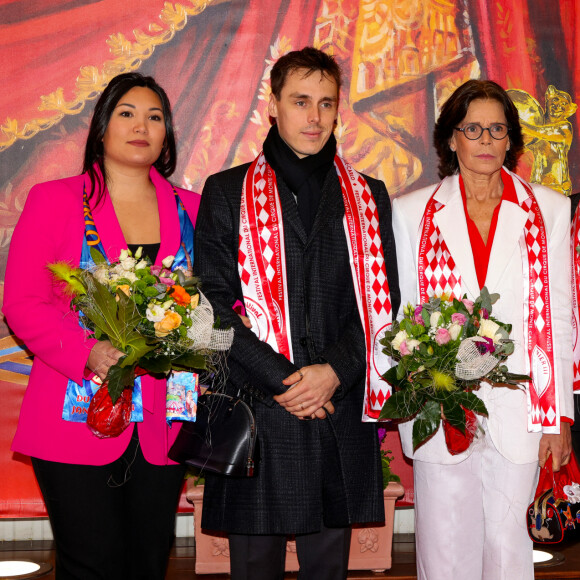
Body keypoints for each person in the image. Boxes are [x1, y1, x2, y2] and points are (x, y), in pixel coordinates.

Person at [194, 47, 400, 580]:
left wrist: (333, 372)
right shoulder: (226, 190)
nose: (314, 117)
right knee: (253, 570)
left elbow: (385, 306)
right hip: (261, 410)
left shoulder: (369, 196)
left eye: (326, 103)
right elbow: (211, 306)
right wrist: (286, 381)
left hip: (336, 407)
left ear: (338, 111)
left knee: (328, 571)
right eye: (301, 101)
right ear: (273, 106)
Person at [3, 73, 201, 580]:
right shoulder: (55, 200)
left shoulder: (193, 210)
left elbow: (220, 305)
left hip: (165, 419)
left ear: (167, 135)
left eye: (155, 117)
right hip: (75, 409)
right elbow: (23, 302)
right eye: (127, 113)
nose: (142, 126)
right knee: (90, 564)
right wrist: (84, 351)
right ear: (101, 127)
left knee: (148, 563)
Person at [392, 79, 573, 580]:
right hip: (441, 403)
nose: (487, 139)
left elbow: (559, 318)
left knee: (507, 547)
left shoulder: (550, 210)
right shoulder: (411, 213)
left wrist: (557, 417)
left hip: (521, 412)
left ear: (511, 140)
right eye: (473, 128)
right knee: (445, 548)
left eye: (497, 128)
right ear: (452, 139)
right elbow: (401, 315)